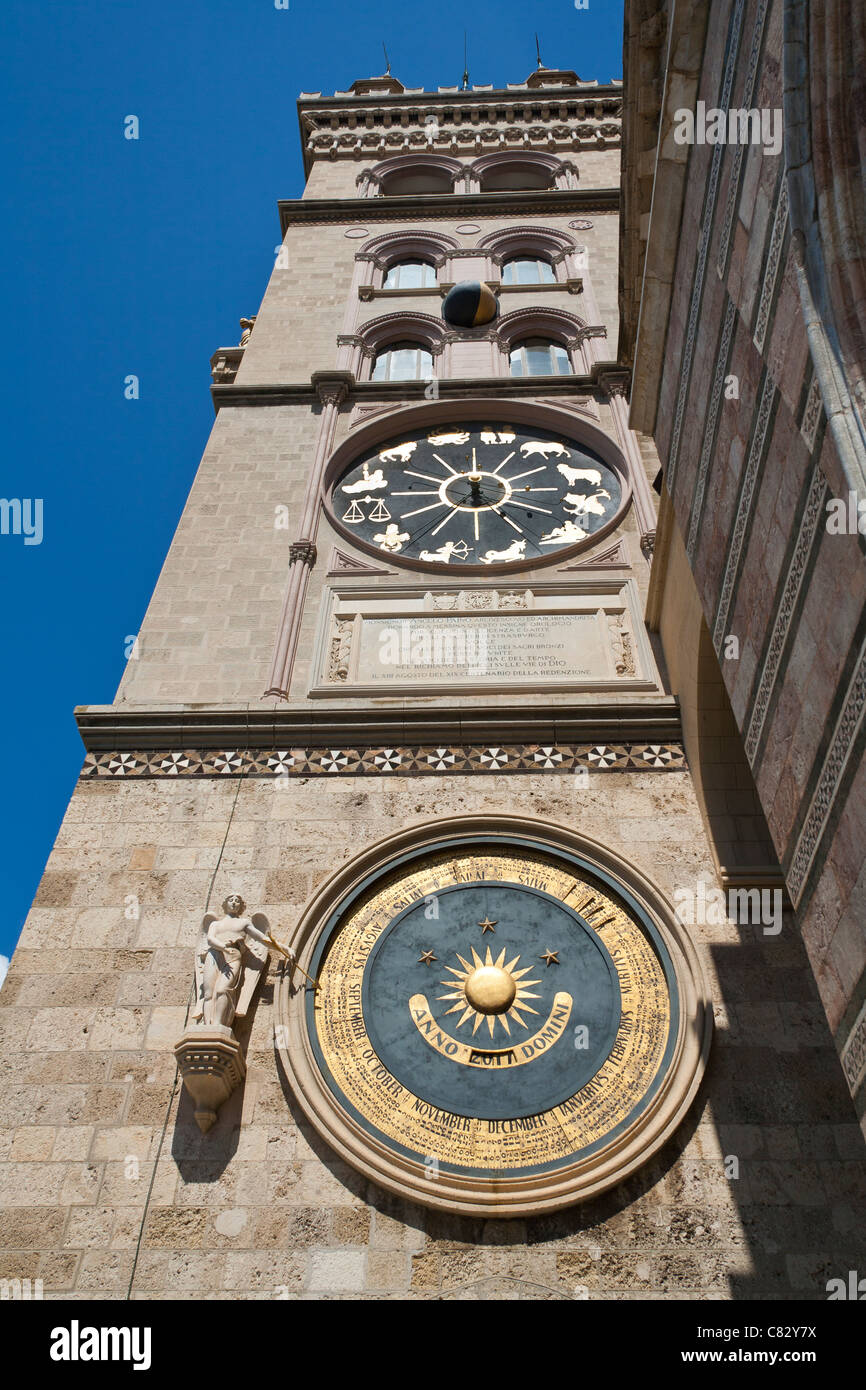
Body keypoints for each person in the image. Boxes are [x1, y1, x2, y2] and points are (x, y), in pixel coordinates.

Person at [197, 893, 294, 1028]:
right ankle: (208, 1026)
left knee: (222, 990)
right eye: (231, 900)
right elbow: (210, 939)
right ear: (225, 904)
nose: (234, 903)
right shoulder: (215, 924)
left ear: (241, 907)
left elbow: (264, 939)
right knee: (208, 993)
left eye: (237, 901)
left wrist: (284, 949)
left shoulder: (244, 923)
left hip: (233, 956)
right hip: (214, 955)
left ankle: (218, 1025)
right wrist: (223, 947)